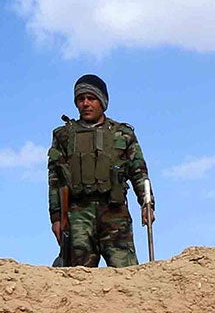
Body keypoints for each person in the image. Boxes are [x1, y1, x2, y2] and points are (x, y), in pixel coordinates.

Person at [46, 74, 152, 268]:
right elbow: (55, 179)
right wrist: (55, 218)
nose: (85, 103)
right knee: (77, 277)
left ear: (102, 101)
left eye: (91, 98)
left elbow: (139, 171)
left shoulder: (123, 133)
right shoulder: (63, 135)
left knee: (127, 274)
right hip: (78, 214)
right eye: (80, 99)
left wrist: (147, 204)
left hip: (115, 213)